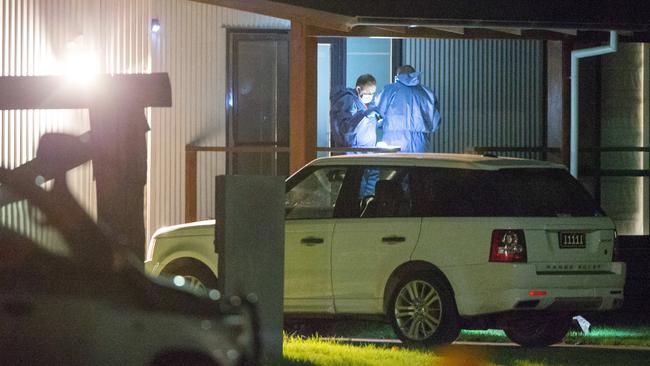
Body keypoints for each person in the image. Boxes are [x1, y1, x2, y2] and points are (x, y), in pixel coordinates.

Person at [374, 65, 441, 153]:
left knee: (393, 166)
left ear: (398, 75)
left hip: (393, 143)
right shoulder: (427, 93)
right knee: (418, 166)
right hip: (420, 145)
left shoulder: (388, 91)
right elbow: (435, 123)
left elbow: (377, 116)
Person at [329, 74, 382, 153]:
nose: (371, 96)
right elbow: (345, 129)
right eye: (368, 93)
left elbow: (363, 127)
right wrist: (363, 115)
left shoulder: (361, 104)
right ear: (358, 89)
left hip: (363, 152)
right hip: (351, 153)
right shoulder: (347, 100)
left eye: (372, 93)